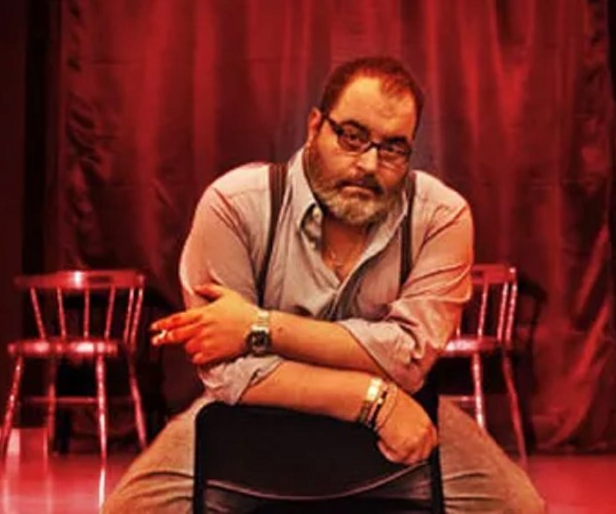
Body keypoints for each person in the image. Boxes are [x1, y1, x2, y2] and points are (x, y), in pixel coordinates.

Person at [103, 56, 545, 513]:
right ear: (315, 126)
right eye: (351, 137)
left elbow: (409, 357)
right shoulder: (235, 204)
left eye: (393, 148)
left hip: (402, 398)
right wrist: (371, 400)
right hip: (254, 406)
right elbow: (227, 372)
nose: (368, 164)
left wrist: (259, 327)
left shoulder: (441, 216)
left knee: (519, 507)